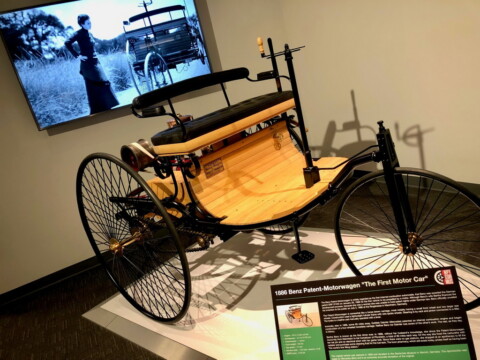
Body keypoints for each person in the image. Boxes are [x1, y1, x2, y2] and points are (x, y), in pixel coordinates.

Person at [65, 14, 119, 114]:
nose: (91, 24)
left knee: (100, 84)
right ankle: (100, 110)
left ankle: (105, 109)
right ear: (82, 24)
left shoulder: (89, 33)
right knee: (99, 84)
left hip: (95, 62)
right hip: (88, 65)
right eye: (88, 23)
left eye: (91, 22)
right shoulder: (78, 33)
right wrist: (77, 56)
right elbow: (67, 43)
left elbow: (94, 43)